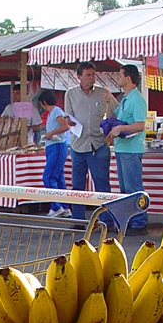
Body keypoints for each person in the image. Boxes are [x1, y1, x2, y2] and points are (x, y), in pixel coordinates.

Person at [63, 62, 119, 222]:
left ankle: (107, 221)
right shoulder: (70, 94)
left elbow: (117, 111)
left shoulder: (103, 93)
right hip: (78, 145)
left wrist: (108, 107)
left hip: (98, 144)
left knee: (102, 186)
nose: (91, 78)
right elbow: (68, 116)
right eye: (88, 75)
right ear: (79, 77)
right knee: (77, 186)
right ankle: (78, 220)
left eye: (93, 74)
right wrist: (69, 120)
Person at [106, 65, 148, 233]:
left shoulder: (136, 99)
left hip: (131, 149)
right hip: (122, 149)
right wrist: (108, 102)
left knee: (133, 188)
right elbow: (114, 117)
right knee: (125, 189)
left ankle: (140, 222)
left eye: (120, 75)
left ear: (128, 78)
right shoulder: (126, 98)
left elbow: (140, 125)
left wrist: (120, 129)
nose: (118, 78)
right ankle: (130, 220)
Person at [37, 90, 71, 217]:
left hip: (56, 146)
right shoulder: (52, 113)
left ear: (44, 102)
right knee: (59, 178)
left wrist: (51, 133)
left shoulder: (56, 111)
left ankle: (56, 206)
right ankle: (65, 206)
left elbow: (66, 126)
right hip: (53, 147)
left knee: (49, 176)